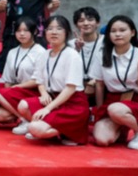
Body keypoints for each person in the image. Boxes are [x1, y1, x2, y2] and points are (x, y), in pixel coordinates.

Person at [17, 15, 89, 145]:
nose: (54, 32)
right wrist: (44, 93)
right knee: (23, 105)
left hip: (72, 103)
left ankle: (65, 131)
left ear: (66, 32)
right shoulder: (44, 55)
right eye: (50, 29)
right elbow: (39, 80)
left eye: (59, 28)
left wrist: (47, 109)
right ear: (45, 33)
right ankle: (53, 129)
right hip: (53, 98)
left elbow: (70, 88)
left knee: (34, 128)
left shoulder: (72, 55)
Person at [92, 15, 138, 150]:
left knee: (115, 109)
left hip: (137, 100)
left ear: (132, 32)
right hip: (112, 100)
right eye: (113, 31)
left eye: (122, 30)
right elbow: (99, 85)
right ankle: (122, 128)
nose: (117, 34)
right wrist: (99, 110)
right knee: (102, 139)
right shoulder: (102, 55)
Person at [0, 17, 47, 135]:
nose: (22, 34)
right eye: (18, 31)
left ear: (34, 32)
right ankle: (24, 119)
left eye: (26, 30)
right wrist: (8, 95)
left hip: (34, 91)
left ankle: (25, 120)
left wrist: (16, 88)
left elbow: (38, 80)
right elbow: (7, 80)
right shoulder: (12, 52)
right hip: (17, 91)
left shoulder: (40, 52)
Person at [70, 7, 103, 105]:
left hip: (101, 87)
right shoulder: (70, 45)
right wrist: (76, 50)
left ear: (98, 23)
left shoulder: (106, 42)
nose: (86, 23)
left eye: (90, 19)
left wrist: (94, 82)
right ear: (76, 25)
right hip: (77, 89)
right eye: (81, 21)